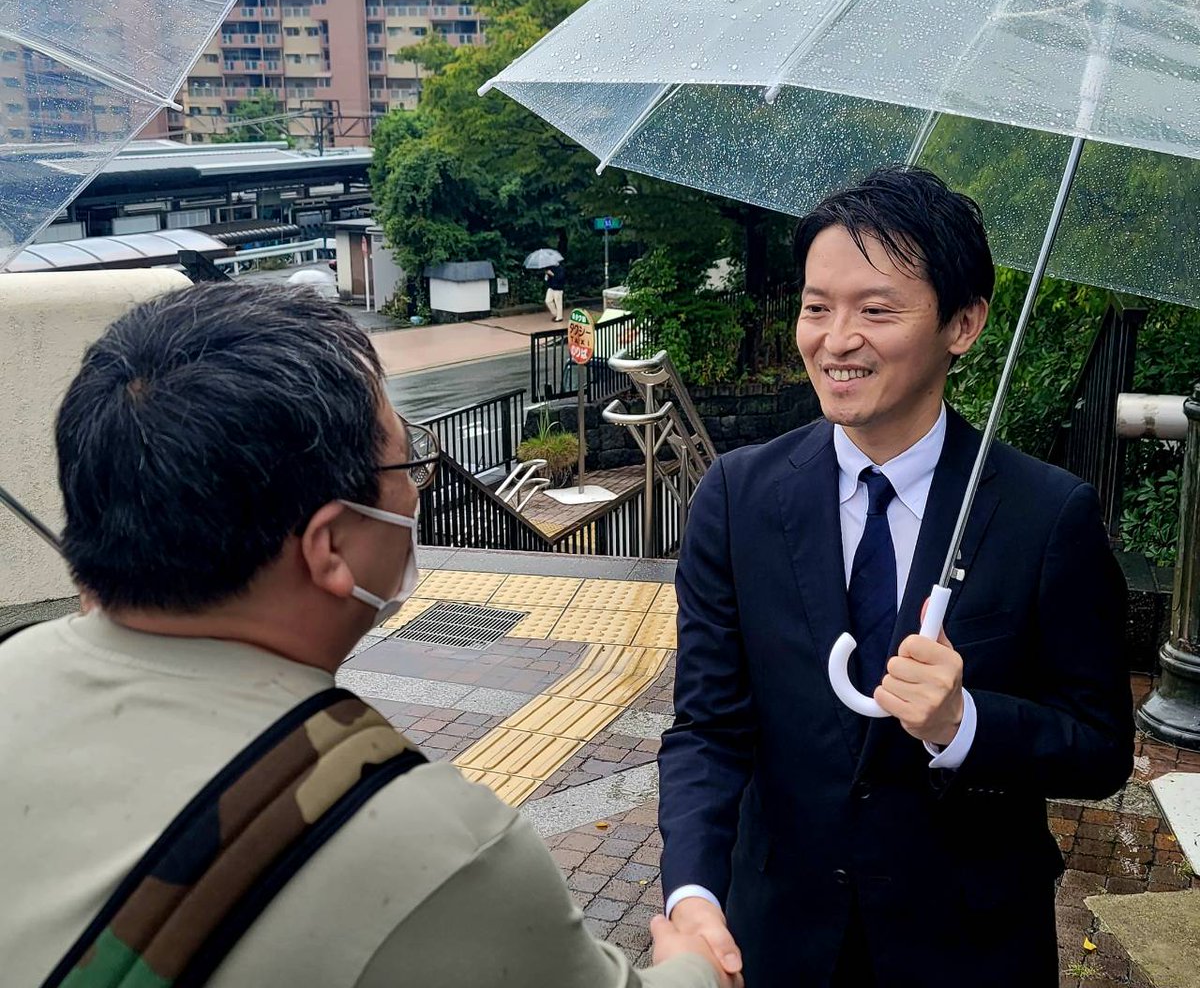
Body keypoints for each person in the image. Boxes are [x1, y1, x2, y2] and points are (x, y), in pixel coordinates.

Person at [0, 281, 734, 988]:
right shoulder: (428, 847)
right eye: (406, 460)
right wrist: (696, 960)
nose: (415, 492)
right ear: (328, 548)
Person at [658, 167, 1133, 988]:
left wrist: (964, 724)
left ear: (964, 323)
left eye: (876, 310)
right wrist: (693, 893)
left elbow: (1100, 747)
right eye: (816, 306)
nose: (836, 339)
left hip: (968, 946)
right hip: (778, 935)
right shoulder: (737, 499)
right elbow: (708, 727)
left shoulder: (1044, 516)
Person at [545, 258, 566, 322]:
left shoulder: (561, 269)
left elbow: (560, 278)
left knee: (558, 303)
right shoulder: (551, 268)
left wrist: (552, 274)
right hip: (551, 288)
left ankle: (559, 317)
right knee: (548, 301)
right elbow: (546, 279)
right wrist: (547, 275)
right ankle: (555, 314)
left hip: (558, 289)